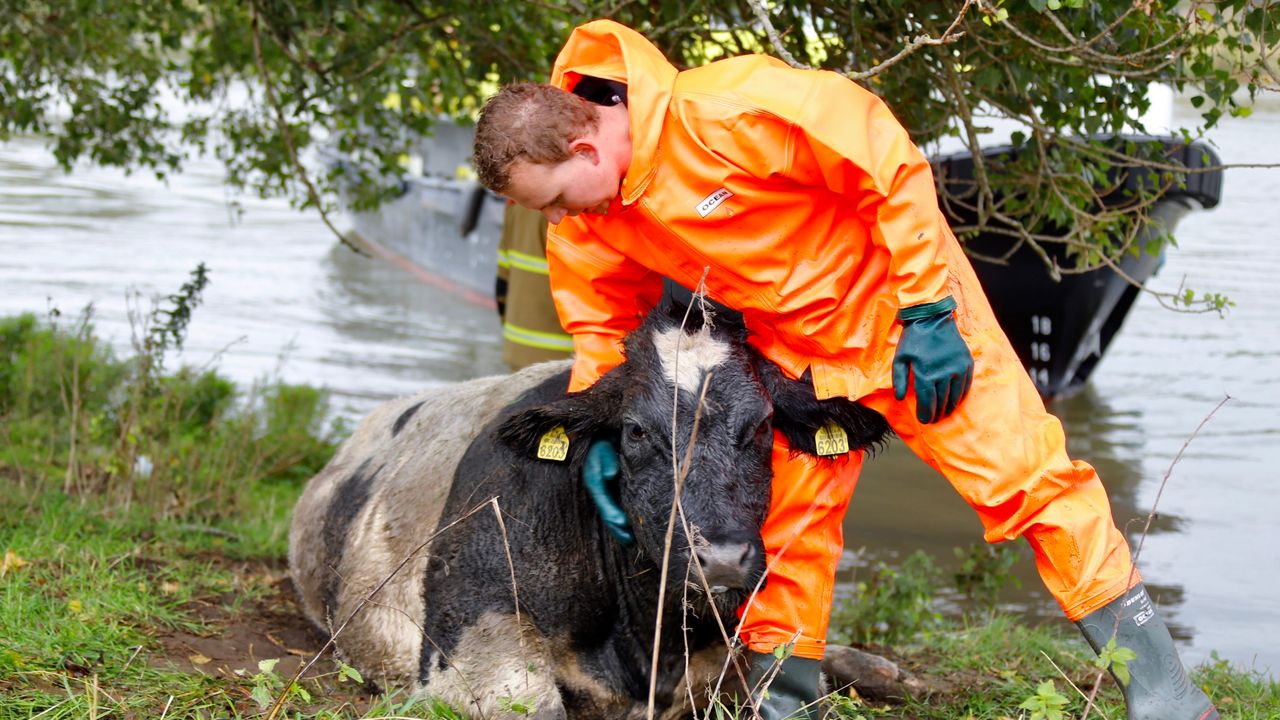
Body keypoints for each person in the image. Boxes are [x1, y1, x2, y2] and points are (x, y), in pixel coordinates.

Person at [471, 19, 1219, 720]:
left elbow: (884, 162)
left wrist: (930, 311)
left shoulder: (731, 109)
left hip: (909, 321)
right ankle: (781, 703)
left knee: (1033, 488)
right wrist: (603, 430)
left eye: (560, 202)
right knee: (792, 530)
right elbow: (602, 327)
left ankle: (1165, 691)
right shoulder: (593, 219)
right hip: (793, 362)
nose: (561, 223)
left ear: (586, 151)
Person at [494, 200, 574, 369]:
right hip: (564, 360)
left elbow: (502, 284)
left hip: (517, 352)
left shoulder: (515, 204)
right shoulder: (576, 214)